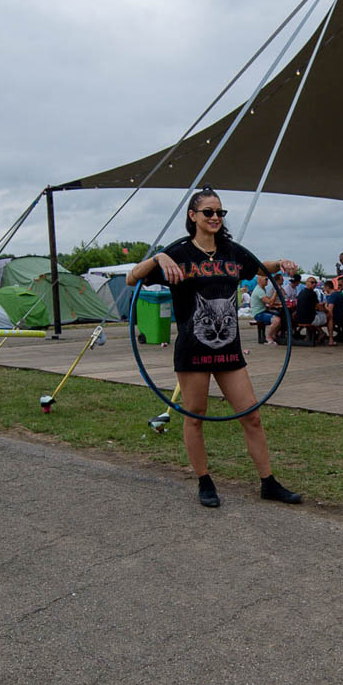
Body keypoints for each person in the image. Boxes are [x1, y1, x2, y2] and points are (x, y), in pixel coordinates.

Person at [127, 189, 305, 509]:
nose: (215, 217)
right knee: (195, 416)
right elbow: (132, 278)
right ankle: (204, 480)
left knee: (251, 415)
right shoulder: (178, 253)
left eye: (220, 212)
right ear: (192, 216)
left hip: (229, 351)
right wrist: (158, 257)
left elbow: (259, 268)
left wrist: (280, 263)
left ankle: (268, 482)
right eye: (208, 212)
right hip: (193, 350)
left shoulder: (231, 252)